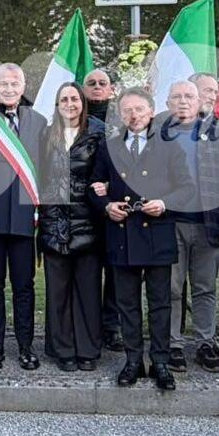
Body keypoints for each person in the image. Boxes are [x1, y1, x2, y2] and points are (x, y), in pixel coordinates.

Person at [90, 87, 193, 391]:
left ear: (151, 111)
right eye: (127, 110)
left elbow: (187, 188)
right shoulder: (109, 147)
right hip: (122, 234)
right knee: (127, 304)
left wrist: (164, 204)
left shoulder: (169, 146)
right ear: (120, 114)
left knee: (160, 303)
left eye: (139, 109)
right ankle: (133, 360)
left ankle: (160, 361)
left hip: (157, 233)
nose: (133, 115)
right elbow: (93, 186)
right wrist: (106, 206)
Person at [159, 79, 219, 374]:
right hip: (169, 224)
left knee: (205, 287)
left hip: (210, 224)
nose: (183, 101)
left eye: (189, 96)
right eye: (177, 96)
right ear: (167, 102)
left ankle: (206, 341)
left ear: (199, 101)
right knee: (171, 287)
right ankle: (173, 343)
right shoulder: (157, 133)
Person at [0, 63, 47, 371]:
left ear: (23, 87)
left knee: (24, 285)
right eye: (3, 84)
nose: (9, 88)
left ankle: (25, 345)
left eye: (14, 83)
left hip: (24, 216)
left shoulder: (39, 121)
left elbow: (45, 167)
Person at [37, 82, 106, 372]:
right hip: (54, 222)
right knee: (58, 291)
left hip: (87, 222)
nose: (69, 104)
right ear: (57, 105)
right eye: (63, 99)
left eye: (74, 99)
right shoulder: (46, 135)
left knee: (87, 291)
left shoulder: (97, 134)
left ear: (82, 102)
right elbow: (40, 176)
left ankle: (88, 350)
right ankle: (62, 349)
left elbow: (106, 172)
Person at [81, 67, 124, 351]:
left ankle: (112, 326)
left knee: (115, 271)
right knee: (87, 271)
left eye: (102, 83)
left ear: (111, 89)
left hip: (112, 205)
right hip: (82, 208)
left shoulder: (121, 121)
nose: (97, 86)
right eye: (91, 82)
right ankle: (88, 325)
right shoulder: (74, 118)